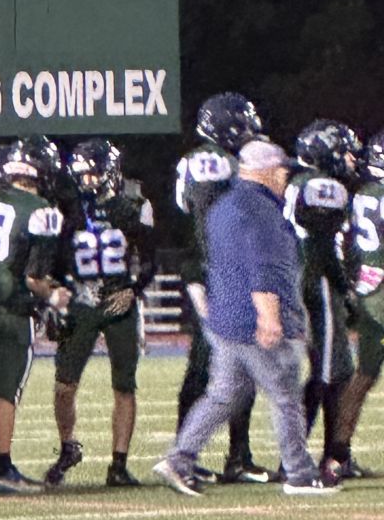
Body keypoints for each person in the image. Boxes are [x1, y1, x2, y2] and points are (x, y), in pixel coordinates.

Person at [153, 138, 340, 497]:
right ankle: (300, 474)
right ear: (267, 171)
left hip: (224, 320)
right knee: (286, 397)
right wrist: (269, 315)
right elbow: (262, 266)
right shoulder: (261, 210)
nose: (286, 176)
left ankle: (179, 459)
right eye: (282, 170)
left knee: (223, 395)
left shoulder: (223, 206)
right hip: (254, 320)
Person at [0, 140, 67, 495]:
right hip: (13, 311)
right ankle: (1, 468)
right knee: (5, 394)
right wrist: (55, 296)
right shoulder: (41, 210)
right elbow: (35, 278)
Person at [46, 139, 155, 488]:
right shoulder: (67, 207)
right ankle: (67, 447)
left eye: (94, 174)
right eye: (82, 175)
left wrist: (132, 290)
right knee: (64, 384)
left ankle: (119, 464)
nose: (87, 181)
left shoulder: (135, 203)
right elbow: (55, 258)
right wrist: (58, 294)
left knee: (124, 385)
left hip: (118, 301)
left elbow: (151, 260)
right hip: (81, 302)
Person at [175, 93, 271, 483]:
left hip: (215, 270)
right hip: (214, 272)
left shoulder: (208, 159)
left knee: (235, 364)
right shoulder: (210, 160)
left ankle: (235, 454)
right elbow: (208, 219)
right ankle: (190, 456)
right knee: (208, 364)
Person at [288, 120, 359, 471]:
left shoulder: (298, 182)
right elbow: (322, 246)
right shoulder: (323, 186)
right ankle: (324, 458)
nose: (349, 158)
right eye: (343, 151)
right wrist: (345, 286)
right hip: (316, 280)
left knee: (332, 371)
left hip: (299, 276)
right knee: (329, 374)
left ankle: (328, 455)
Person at [328, 128, 384, 479]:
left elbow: (342, 243)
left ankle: (338, 453)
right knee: (362, 376)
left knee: (362, 376)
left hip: (368, 292)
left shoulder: (360, 195)